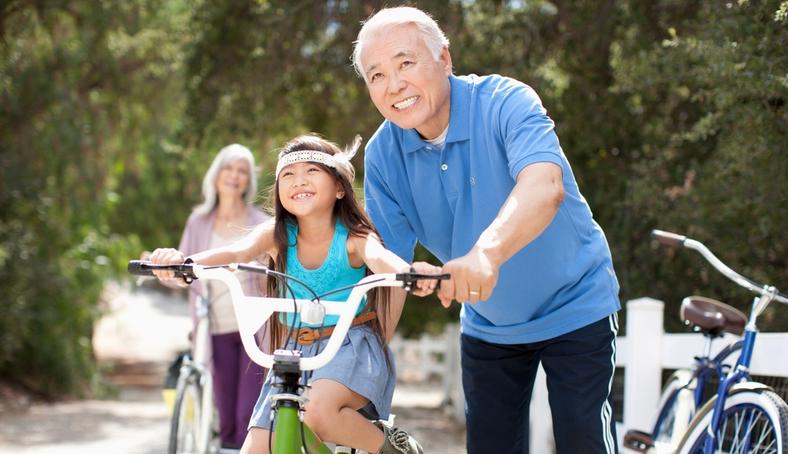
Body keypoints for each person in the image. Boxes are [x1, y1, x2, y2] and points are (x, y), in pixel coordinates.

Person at [352, 7, 621, 454]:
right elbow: (388, 275)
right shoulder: (382, 155)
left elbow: (544, 185)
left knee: (583, 441)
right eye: (376, 75)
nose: (393, 85)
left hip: (576, 304)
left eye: (405, 63)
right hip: (490, 324)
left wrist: (485, 254)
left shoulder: (505, 101)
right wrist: (358, 361)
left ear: (444, 59)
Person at [150, 134, 440, 454]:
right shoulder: (275, 235)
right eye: (288, 175)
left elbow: (382, 261)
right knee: (256, 449)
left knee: (318, 413)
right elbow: (235, 253)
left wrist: (410, 273)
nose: (298, 180)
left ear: (339, 188)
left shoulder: (355, 237)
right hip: (292, 352)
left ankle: (395, 449)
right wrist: (185, 263)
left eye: (312, 171)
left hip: (348, 345)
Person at [155, 143, 269, 449]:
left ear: (249, 180)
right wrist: (163, 268)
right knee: (225, 418)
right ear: (216, 175)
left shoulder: (260, 223)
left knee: (248, 414)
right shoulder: (199, 221)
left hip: (253, 331)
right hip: (214, 330)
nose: (235, 175)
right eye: (229, 168)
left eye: (242, 170)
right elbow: (185, 274)